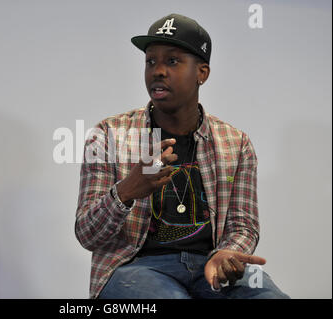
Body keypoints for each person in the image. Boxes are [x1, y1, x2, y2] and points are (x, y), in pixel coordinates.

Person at [75, 13, 289, 299]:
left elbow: (243, 224)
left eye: (172, 61)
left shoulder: (235, 143)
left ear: (202, 72)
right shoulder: (108, 135)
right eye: (151, 62)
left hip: (209, 265)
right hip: (135, 268)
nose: (158, 71)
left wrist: (229, 255)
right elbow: (87, 234)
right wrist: (126, 192)